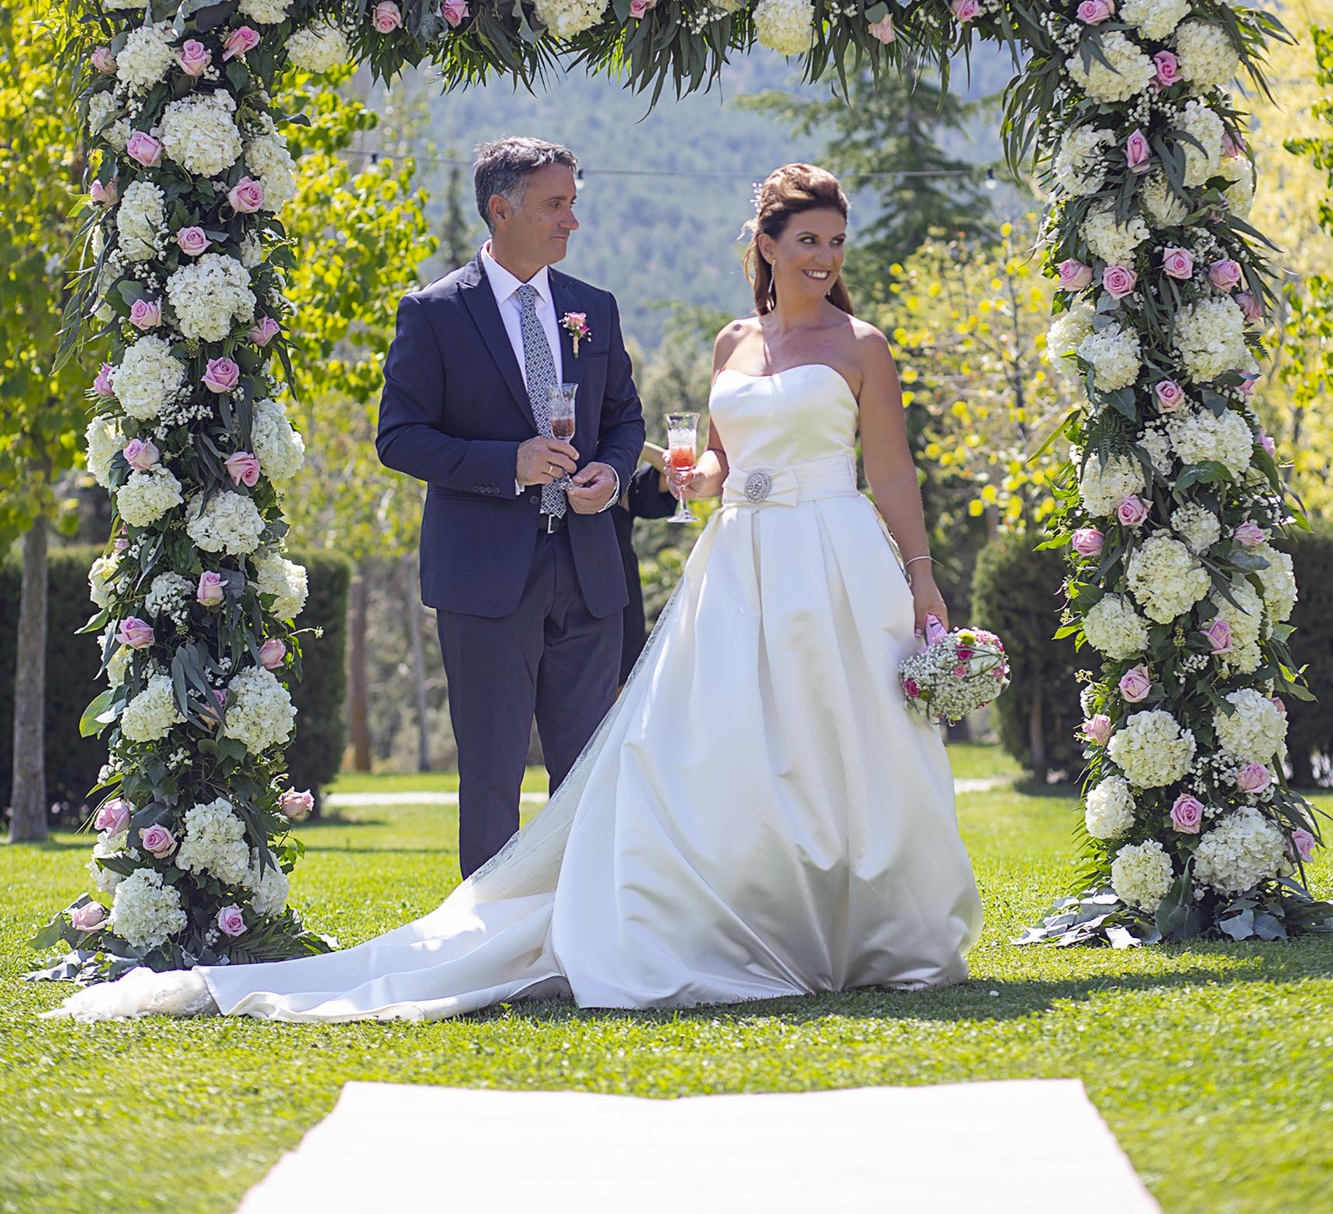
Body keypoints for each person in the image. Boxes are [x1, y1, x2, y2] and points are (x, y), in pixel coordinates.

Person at [57, 163, 982, 1023]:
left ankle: (853, 918)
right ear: (768, 247)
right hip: (725, 564)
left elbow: (890, 475)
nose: (824, 258)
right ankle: (607, 917)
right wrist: (683, 482)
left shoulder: (858, 345)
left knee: (835, 736)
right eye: (808, 241)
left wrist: (921, 576)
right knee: (700, 748)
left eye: (835, 242)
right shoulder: (726, 341)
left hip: (829, 559)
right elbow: (713, 465)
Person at [375, 136, 646, 876]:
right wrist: (508, 464)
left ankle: (582, 936)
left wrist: (611, 477)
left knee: (587, 776)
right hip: (485, 579)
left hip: (588, 573)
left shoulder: (593, 308)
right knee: (492, 779)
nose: (571, 222)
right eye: (555, 205)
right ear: (501, 209)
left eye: (572, 204)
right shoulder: (433, 313)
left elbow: (624, 419)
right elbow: (398, 438)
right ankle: (489, 946)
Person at [612, 445, 678, 683]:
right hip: (561, 588)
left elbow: (675, 472)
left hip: (618, 595)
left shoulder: (618, 478)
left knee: (622, 684)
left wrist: (630, 437)